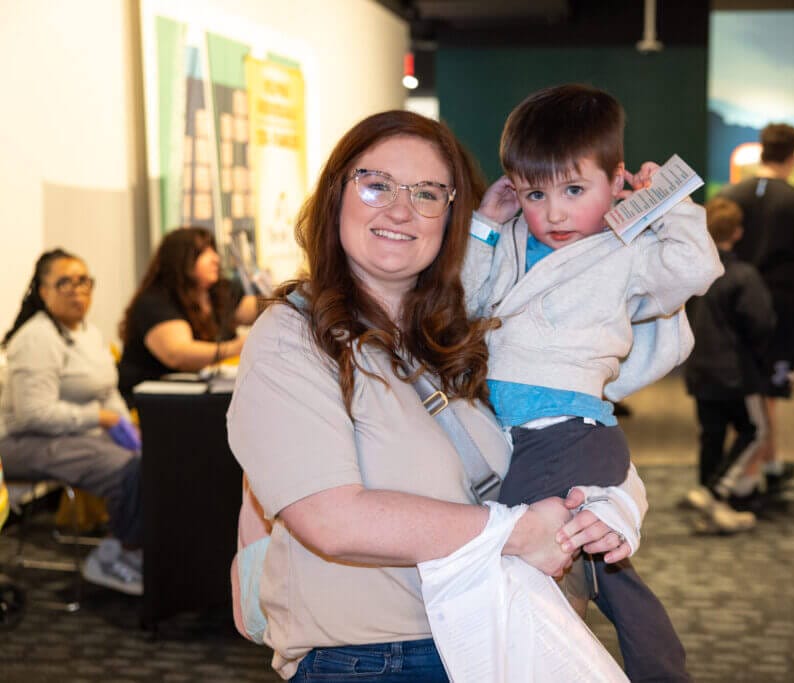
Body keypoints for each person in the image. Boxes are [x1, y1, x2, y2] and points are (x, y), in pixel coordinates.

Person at [226, 110, 631, 681]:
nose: (400, 210)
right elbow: (332, 520)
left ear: (451, 216)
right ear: (336, 196)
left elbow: (580, 420)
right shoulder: (293, 337)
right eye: (376, 185)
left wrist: (613, 510)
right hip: (374, 659)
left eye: (427, 193)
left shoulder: (458, 334)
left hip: (489, 637)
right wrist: (516, 533)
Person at [463, 83, 721, 683]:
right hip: (522, 434)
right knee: (601, 566)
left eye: (574, 191)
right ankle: (660, 665)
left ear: (616, 179)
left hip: (567, 435)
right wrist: (485, 225)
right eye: (535, 194)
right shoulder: (513, 239)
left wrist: (668, 205)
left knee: (509, 554)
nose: (554, 213)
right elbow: (465, 304)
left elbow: (696, 268)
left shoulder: (626, 250)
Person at [0, 249, 144, 595]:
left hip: (75, 434)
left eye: (83, 281)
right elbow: (33, 414)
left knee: (153, 456)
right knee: (130, 469)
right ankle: (118, 555)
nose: (77, 290)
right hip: (22, 441)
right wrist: (100, 418)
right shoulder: (36, 338)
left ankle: (140, 546)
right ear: (43, 291)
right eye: (64, 282)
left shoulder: (89, 333)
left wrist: (129, 428)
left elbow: (107, 391)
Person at [718, 122, 794, 494]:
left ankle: (769, 463)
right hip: (780, 307)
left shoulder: (730, 196)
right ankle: (747, 478)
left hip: (732, 304)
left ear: (761, 149)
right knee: (765, 392)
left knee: (749, 389)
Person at [682, 197, 775, 534]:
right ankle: (716, 493)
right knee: (754, 430)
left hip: (699, 368)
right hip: (736, 371)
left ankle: (710, 506)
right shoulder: (743, 275)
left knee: (712, 436)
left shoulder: (693, 274)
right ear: (737, 233)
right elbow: (761, 323)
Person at [117, 227, 258, 408]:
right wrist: (236, 347)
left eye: (213, 250)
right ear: (181, 260)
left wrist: (286, 297)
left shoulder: (217, 292)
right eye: (204, 252)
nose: (215, 259)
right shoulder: (156, 301)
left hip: (203, 397)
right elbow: (179, 354)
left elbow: (254, 309)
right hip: (157, 403)